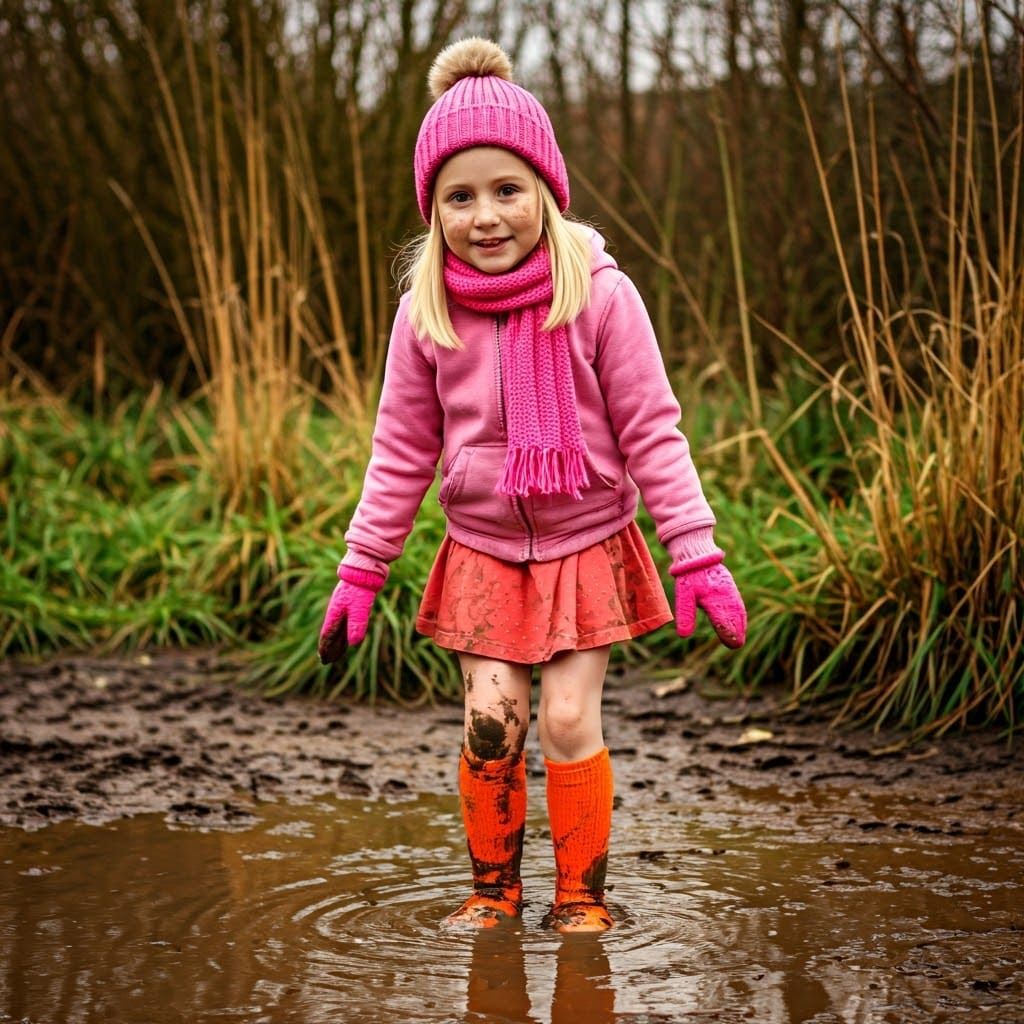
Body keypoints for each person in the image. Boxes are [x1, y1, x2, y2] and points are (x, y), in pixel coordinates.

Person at [317, 37, 746, 934]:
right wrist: (362, 569)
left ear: (548, 191)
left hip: (588, 540)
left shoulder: (599, 295)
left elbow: (653, 430)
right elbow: (400, 448)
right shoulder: (427, 310)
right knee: (492, 721)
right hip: (481, 547)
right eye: (459, 196)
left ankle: (582, 899)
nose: (486, 215)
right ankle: (492, 895)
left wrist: (696, 555)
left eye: (507, 190)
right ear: (432, 210)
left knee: (562, 716)